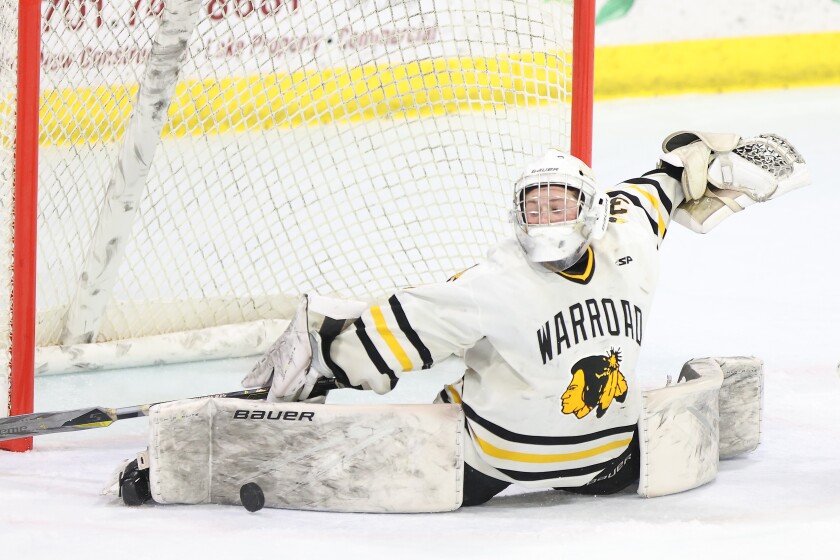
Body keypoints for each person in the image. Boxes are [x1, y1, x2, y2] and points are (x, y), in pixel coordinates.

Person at [117, 131, 808, 508]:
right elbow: (661, 189)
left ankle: (197, 467)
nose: (547, 218)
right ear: (519, 214)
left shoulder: (488, 284)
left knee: (431, 395)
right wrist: (712, 164)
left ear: (587, 211)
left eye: (558, 205)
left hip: (494, 465)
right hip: (616, 463)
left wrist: (323, 361)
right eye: (535, 207)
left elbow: (375, 344)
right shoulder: (627, 232)